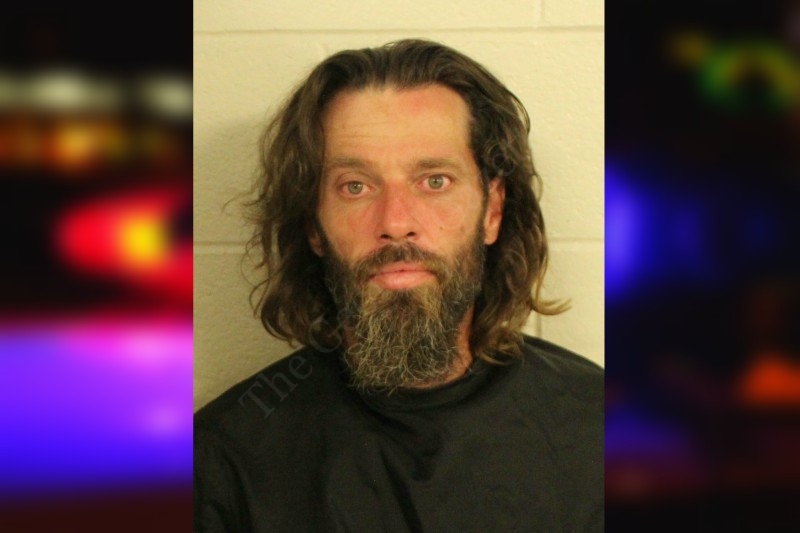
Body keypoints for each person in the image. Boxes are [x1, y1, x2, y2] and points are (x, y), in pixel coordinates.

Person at [194, 39, 603, 532]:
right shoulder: (221, 463)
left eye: (435, 181)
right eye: (355, 186)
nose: (395, 222)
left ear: (492, 210)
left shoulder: (603, 430)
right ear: (313, 225)